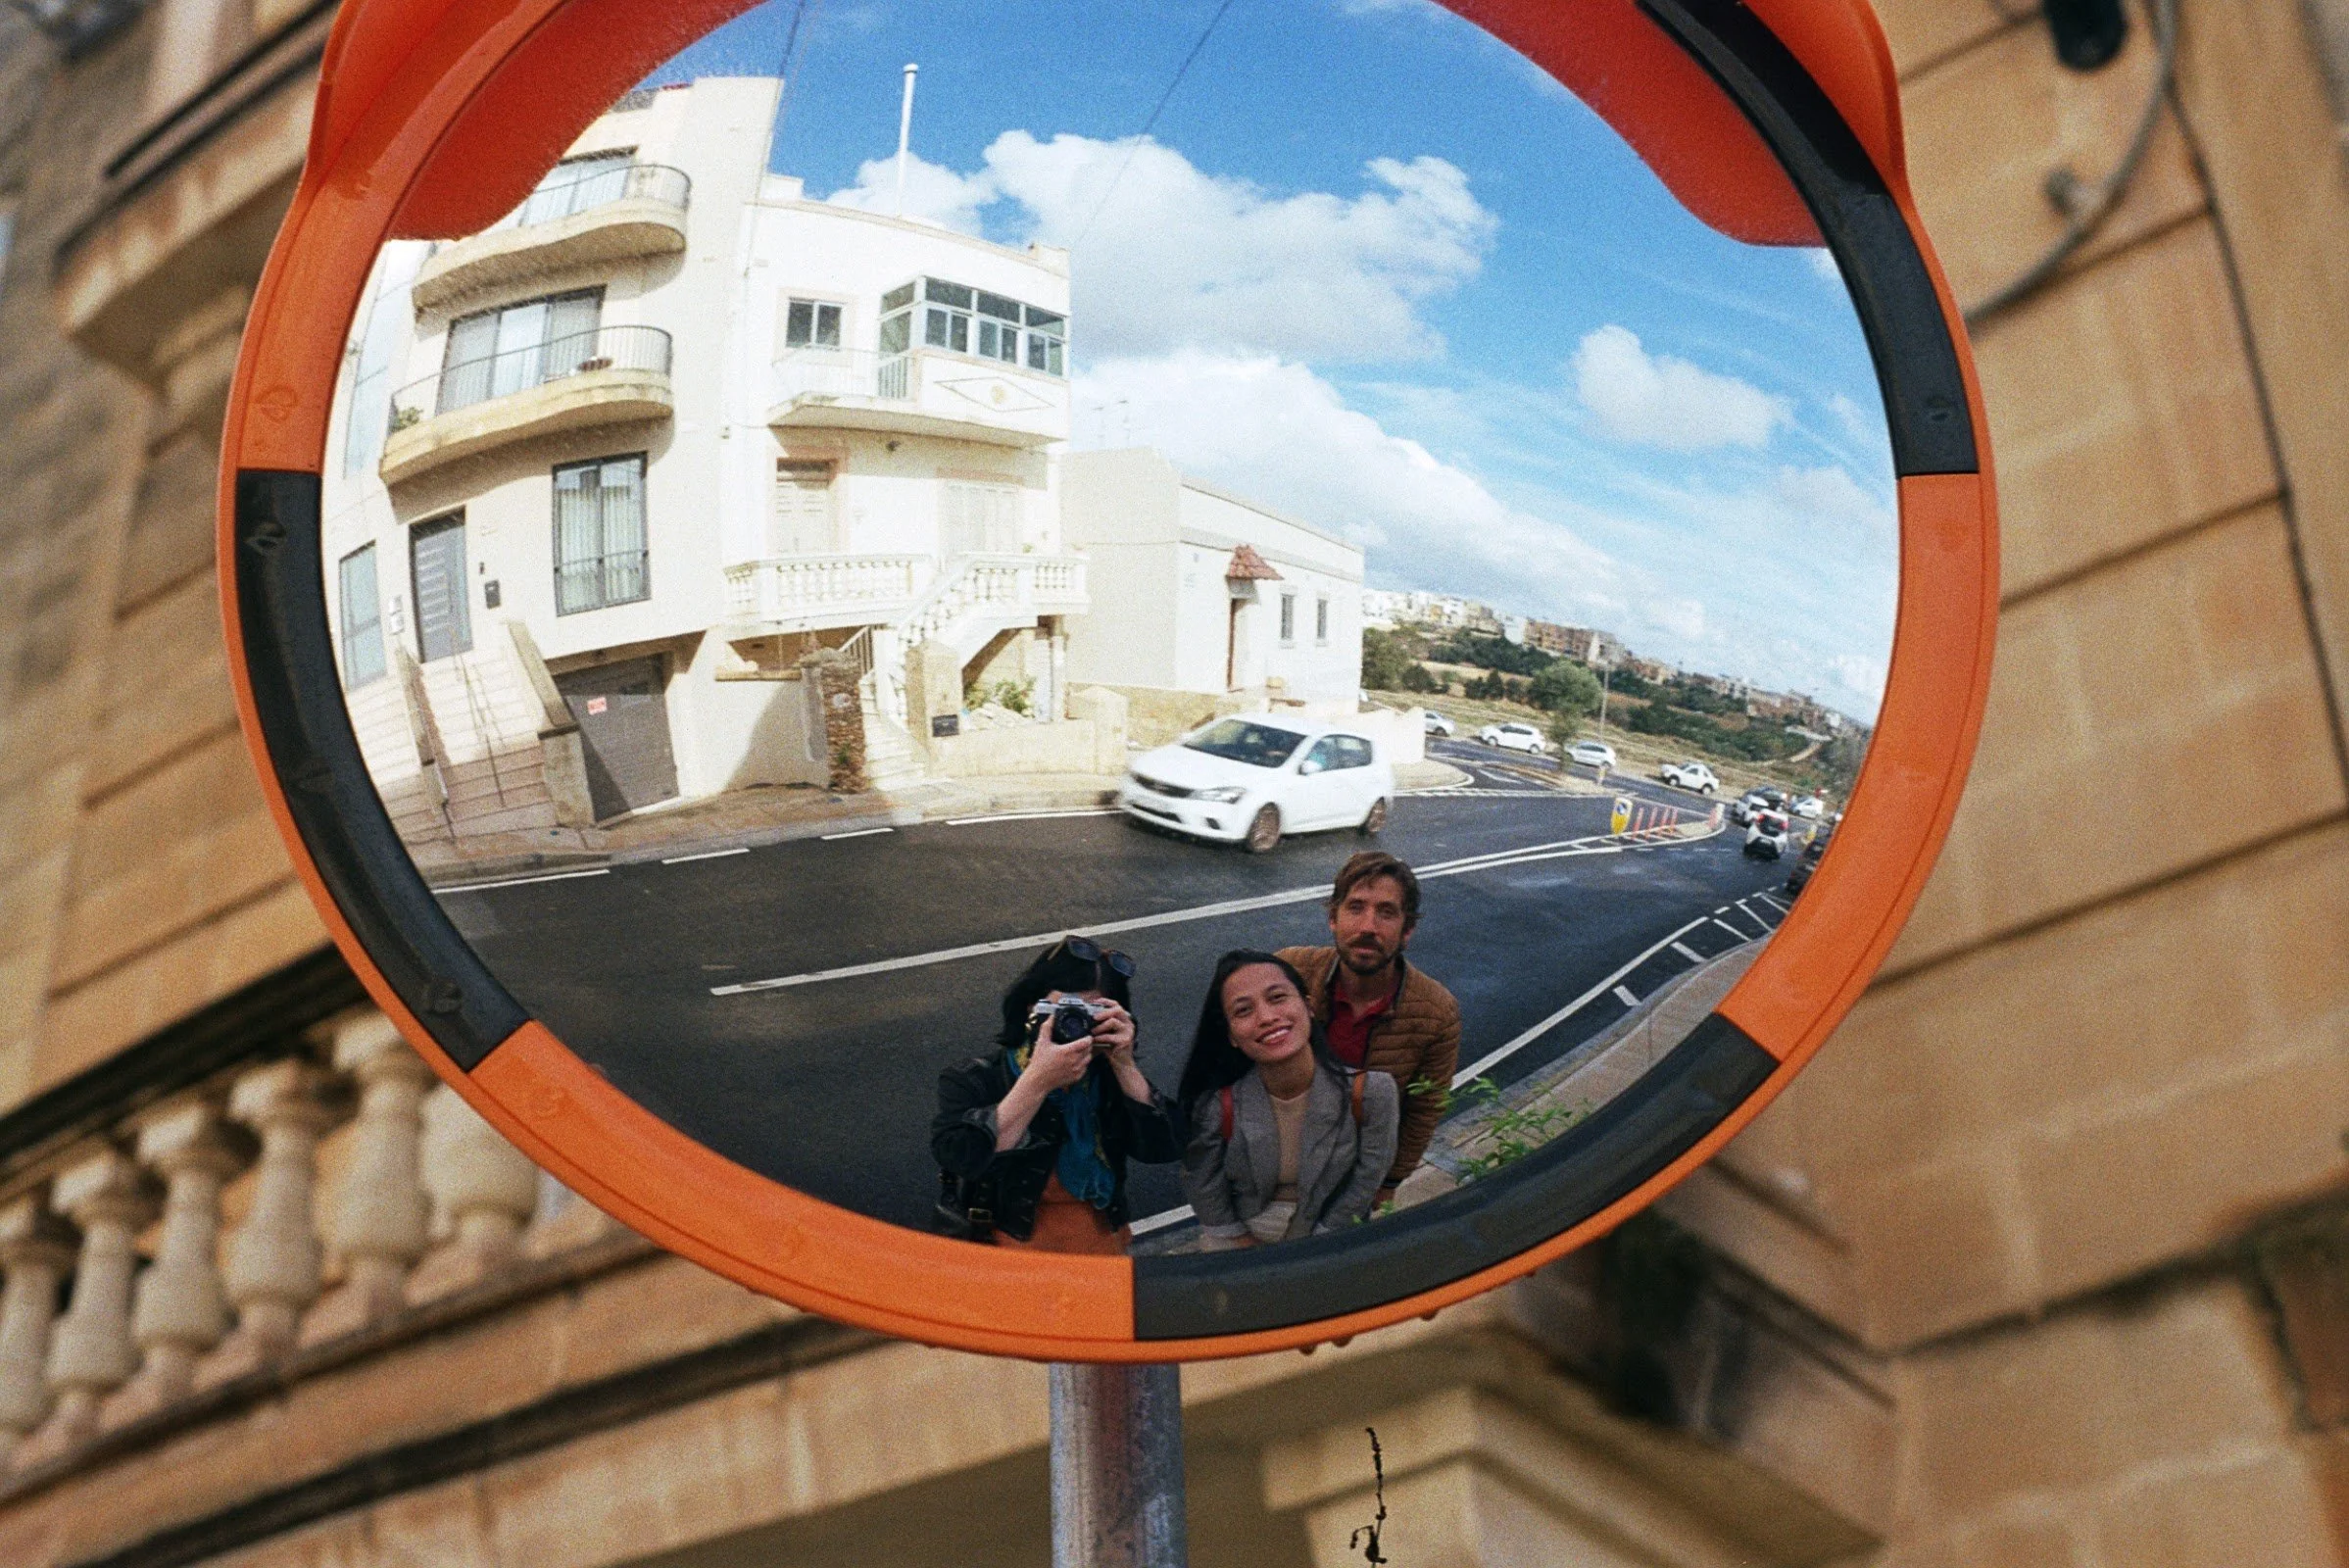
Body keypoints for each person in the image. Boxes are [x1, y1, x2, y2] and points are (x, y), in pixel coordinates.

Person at [931, 936, 1183, 1252]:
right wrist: (1037, 1082)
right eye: (1065, 1010)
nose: (1076, 1024)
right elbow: (962, 1156)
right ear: (1031, 1008)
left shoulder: (1107, 1078)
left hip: (1103, 1246)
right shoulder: (976, 1079)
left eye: (1091, 1013)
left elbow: (1164, 1148)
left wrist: (1124, 1064)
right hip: (1011, 1251)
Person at [1177, 950, 1399, 1250]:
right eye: (1243, 1011)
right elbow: (1203, 1182)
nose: (1267, 1018)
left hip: (1333, 1233)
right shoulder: (1218, 1106)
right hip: (1243, 1237)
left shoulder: (1372, 1092)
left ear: (1308, 1006)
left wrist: (1321, 1243)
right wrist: (1239, 1240)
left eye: (1277, 997)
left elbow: (1367, 1178)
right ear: (1231, 1036)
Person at [1276, 851, 1459, 1201]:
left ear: (1407, 931)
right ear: (1333, 918)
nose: (1368, 927)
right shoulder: (1289, 971)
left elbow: (1425, 1108)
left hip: (1352, 1175)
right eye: (1356, 907)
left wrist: (1390, 1181)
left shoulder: (1437, 1013)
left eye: (1386, 913)